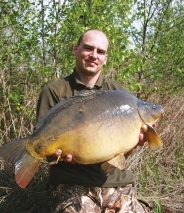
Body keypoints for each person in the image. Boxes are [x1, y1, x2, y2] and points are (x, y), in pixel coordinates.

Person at [36, 29, 151, 213]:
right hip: (71, 181)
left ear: (105, 58)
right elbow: (45, 145)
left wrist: (135, 143)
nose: (94, 55)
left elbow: (121, 152)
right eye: (88, 48)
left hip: (115, 181)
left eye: (100, 51)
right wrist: (56, 156)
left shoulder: (120, 94)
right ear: (75, 49)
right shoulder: (54, 91)